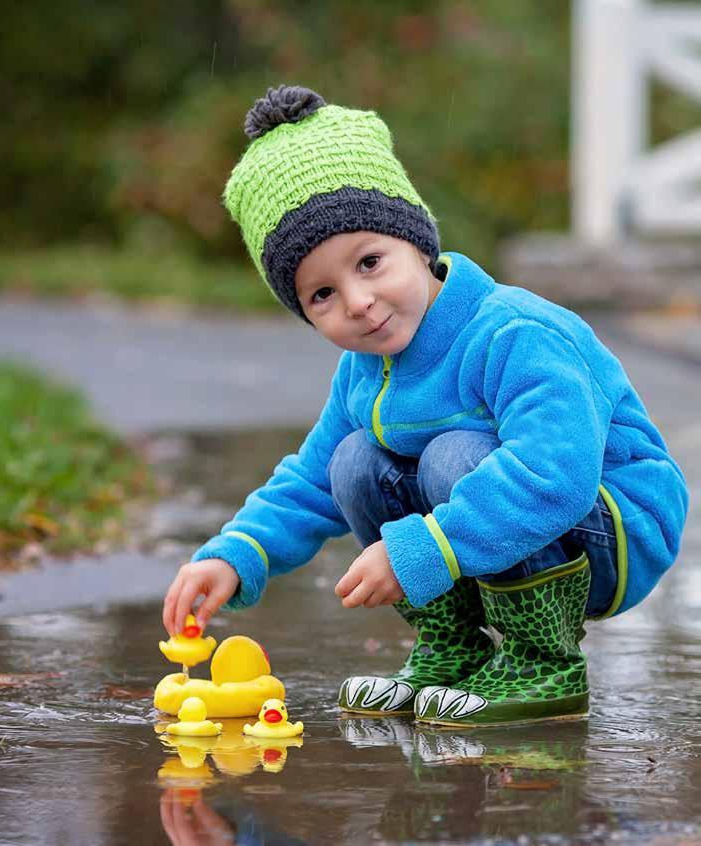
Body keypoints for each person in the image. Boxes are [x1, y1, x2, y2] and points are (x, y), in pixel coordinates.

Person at [162, 85, 688, 727]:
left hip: (611, 525)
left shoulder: (512, 333)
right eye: (322, 293)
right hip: (489, 530)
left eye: (371, 262)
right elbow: (310, 477)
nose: (357, 302)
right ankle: (454, 648)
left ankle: (542, 660)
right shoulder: (364, 371)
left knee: (452, 454)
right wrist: (234, 552)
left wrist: (423, 548)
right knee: (354, 460)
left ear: (417, 240)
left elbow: (558, 471)